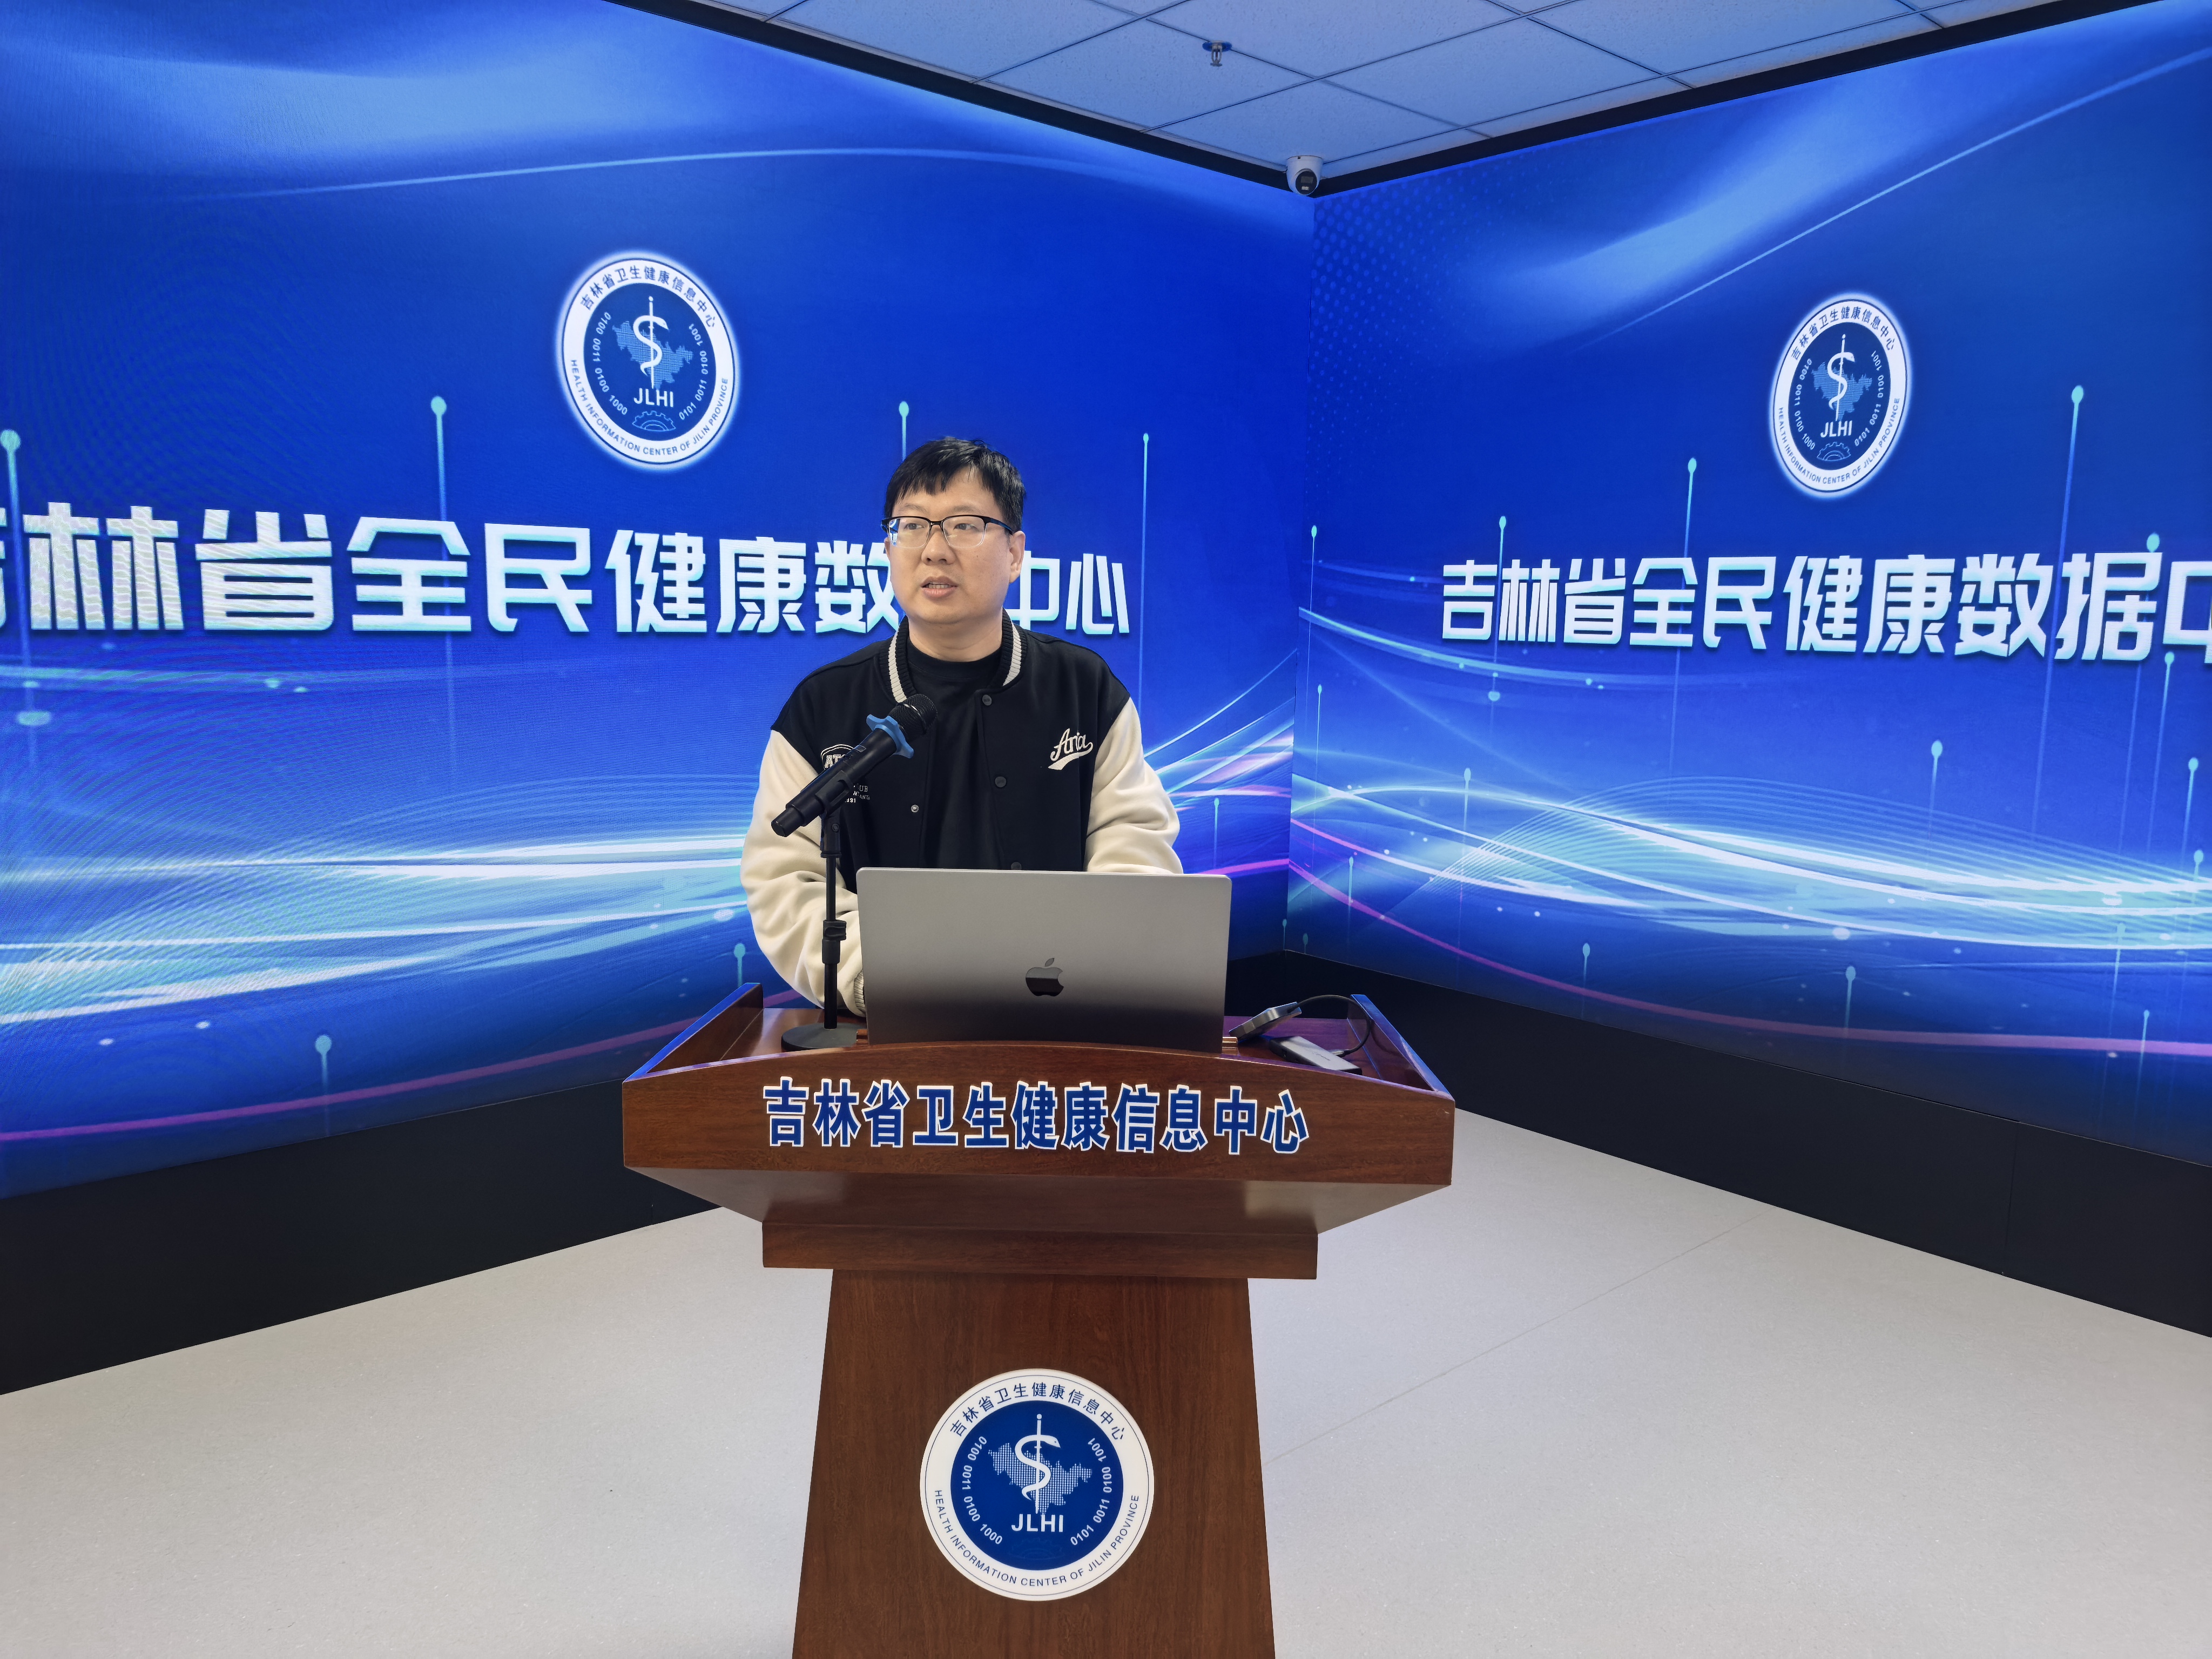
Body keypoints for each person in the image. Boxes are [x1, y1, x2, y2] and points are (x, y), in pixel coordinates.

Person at [742, 437, 1181, 1014]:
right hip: (887, 1020)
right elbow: (784, 878)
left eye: (965, 526)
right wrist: (880, 979)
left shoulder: (1085, 689)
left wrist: (1083, 967)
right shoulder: (822, 706)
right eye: (911, 527)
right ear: (888, 548)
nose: (934, 550)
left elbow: (1135, 848)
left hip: (1059, 1010)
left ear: (1015, 553)